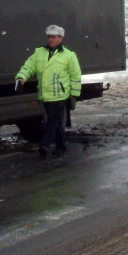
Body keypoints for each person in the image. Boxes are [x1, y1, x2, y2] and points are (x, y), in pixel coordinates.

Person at [16, 24, 81, 159]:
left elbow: (75, 75)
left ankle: (44, 145)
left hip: (59, 96)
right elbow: (29, 66)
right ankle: (61, 147)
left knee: (52, 121)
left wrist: (74, 93)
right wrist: (21, 77)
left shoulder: (69, 55)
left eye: (53, 37)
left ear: (60, 39)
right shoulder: (39, 52)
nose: (50, 39)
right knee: (56, 123)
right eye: (49, 37)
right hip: (44, 95)